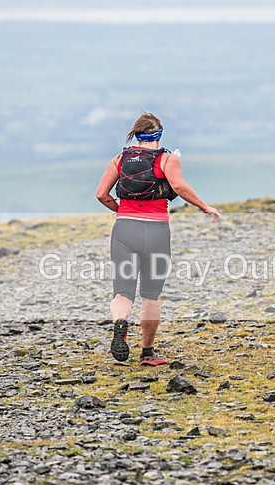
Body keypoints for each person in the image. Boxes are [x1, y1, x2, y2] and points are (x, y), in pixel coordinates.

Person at [96, 112, 221, 365]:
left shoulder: (120, 158)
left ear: (136, 135)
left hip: (123, 230)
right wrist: (205, 207)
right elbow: (181, 187)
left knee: (123, 292)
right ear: (158, 136)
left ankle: (120, 323)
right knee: (151, 295)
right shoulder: (167, 159)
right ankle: (147, 352)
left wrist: (121, 211)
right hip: (156, 232)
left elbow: (101, 194)